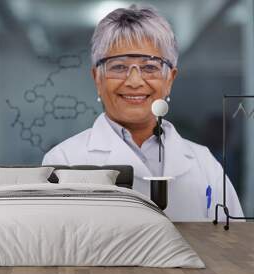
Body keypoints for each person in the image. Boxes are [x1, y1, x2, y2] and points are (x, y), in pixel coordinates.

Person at [42, 5, 243, 221]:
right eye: (118, 67)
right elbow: (52, 250)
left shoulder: (205, 165)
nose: (135, 81)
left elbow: (234, 246)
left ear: (170, 80)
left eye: (150, 67)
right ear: (97, 79)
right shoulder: (63, 161)